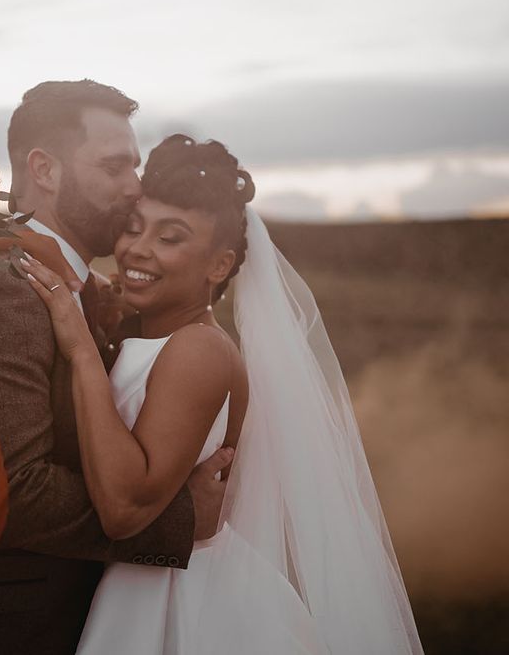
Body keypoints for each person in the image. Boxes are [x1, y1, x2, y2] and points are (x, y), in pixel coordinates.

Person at [0, 83, 232, 655]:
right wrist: (177, 519)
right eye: (114, 167)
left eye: (135, 166)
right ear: (45, 169)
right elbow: (10, 499)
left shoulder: (74, 286)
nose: (135, 188)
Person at [22, 134, 425, 654]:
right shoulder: (143, 332)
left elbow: (123, 508)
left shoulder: (200, 352)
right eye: (134, 227)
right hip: (137, 578)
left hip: (179, 601)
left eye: (171, 237)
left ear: (218, 265)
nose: (138, 249)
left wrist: (80, 350)